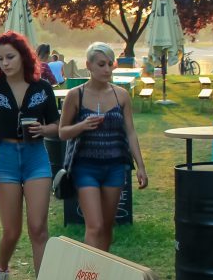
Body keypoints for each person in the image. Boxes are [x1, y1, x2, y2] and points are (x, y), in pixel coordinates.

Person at [0, 31, 60, 280]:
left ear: (24, 56)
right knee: (12, 231)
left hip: (36, 156)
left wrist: (43, 129)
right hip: (5, 158)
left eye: (10, 57)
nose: (5, 63)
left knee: (38, 228)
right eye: (0, 58)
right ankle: (2, 268)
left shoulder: (43, 88)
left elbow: (57, 126)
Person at [59, 43, 148, 252]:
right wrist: (82, 126)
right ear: (88, 65)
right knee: (95, 225)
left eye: (110, 64)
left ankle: (101, 273)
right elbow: (62, 132)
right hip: (85, 166)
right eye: (101, 64)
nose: (107, 69)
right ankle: (86, 276)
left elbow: (131, 132)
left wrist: (141, 166)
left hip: (115, 166)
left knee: (107, 225)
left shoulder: (121, 95)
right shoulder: (75, 95)